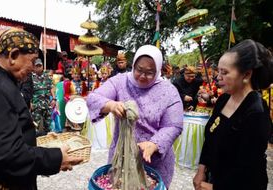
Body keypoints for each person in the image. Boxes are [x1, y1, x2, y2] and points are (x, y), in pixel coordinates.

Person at [0, 28, 83, 190]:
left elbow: (4, 133)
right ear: (13, 56)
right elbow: (6, 155)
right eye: (32, 61)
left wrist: (40, 139)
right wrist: (56, 157)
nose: (34, 68)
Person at [86, 44, 183, 187]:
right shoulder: (120, 81)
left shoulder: (169, 91)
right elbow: (93, 98)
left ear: (158, 71)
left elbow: (173, 125)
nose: (143, 76)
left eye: (150, 72)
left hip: (153, 161)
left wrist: (154, 144)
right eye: (139, 70)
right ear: (133, 66)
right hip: (122, 157)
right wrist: (111, 105)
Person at [193, 39, 273, 190]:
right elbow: (210, 138)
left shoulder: (256, 113)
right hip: (213, 177)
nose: (218, 78)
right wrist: (201, 170)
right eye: (219, 71)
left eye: (225, 72)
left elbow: (248, 171)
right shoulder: (223, 100)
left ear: (246, 74)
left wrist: (213, 187)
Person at [31, 58, 55, 134]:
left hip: (47, 104)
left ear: (42, 66)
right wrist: (30, 103)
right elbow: (28, 91)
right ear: (34, 67)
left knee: (49, 126)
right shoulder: (31, 77)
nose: (38, 67)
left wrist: (54, 99)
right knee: (35, 125)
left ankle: (49, 142)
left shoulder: (47, 76)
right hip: (36, 104)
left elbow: (51, 87)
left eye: (40, 66)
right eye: (37, 66)